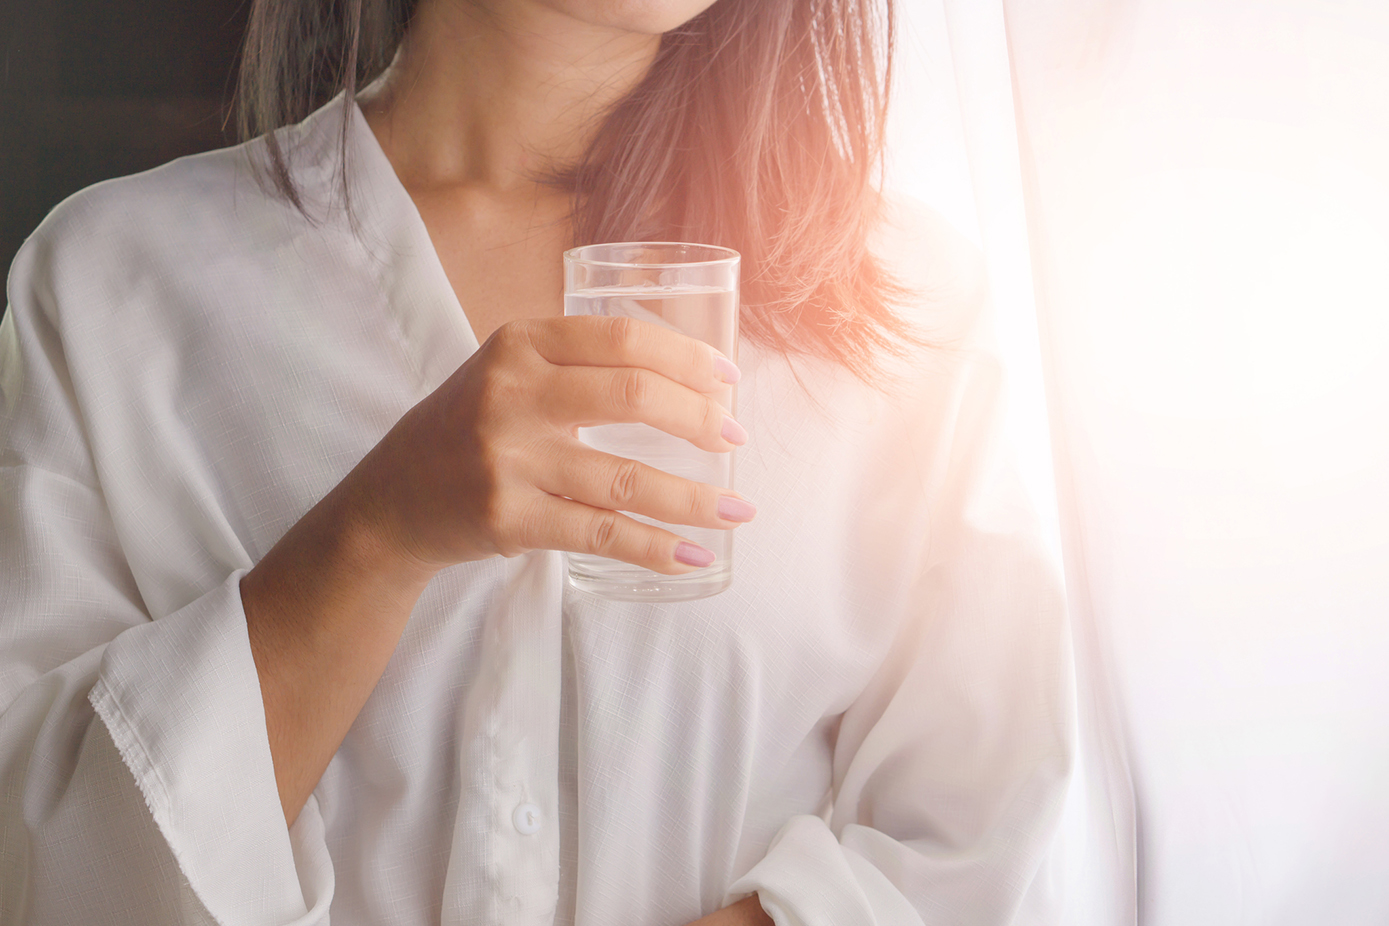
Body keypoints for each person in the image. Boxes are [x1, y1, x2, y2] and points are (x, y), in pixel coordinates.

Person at [0, 0, 1072, 923]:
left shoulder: (901, 310)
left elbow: (978, 830)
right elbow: (43, 870)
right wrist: (376, 532)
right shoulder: (109, 290)